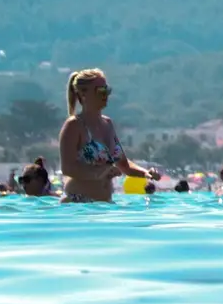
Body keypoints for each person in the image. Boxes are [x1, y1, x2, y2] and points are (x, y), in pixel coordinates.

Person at [57, 68, 157, 203]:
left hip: (104, 204)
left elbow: (124, 165)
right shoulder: (74, 125)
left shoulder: (107, 124)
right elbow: (68, 168)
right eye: (100, 91)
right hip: (78, 204)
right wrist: (99, 172)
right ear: (83, 93)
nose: (105, 95)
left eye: (107, 90)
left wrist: (146, 173)